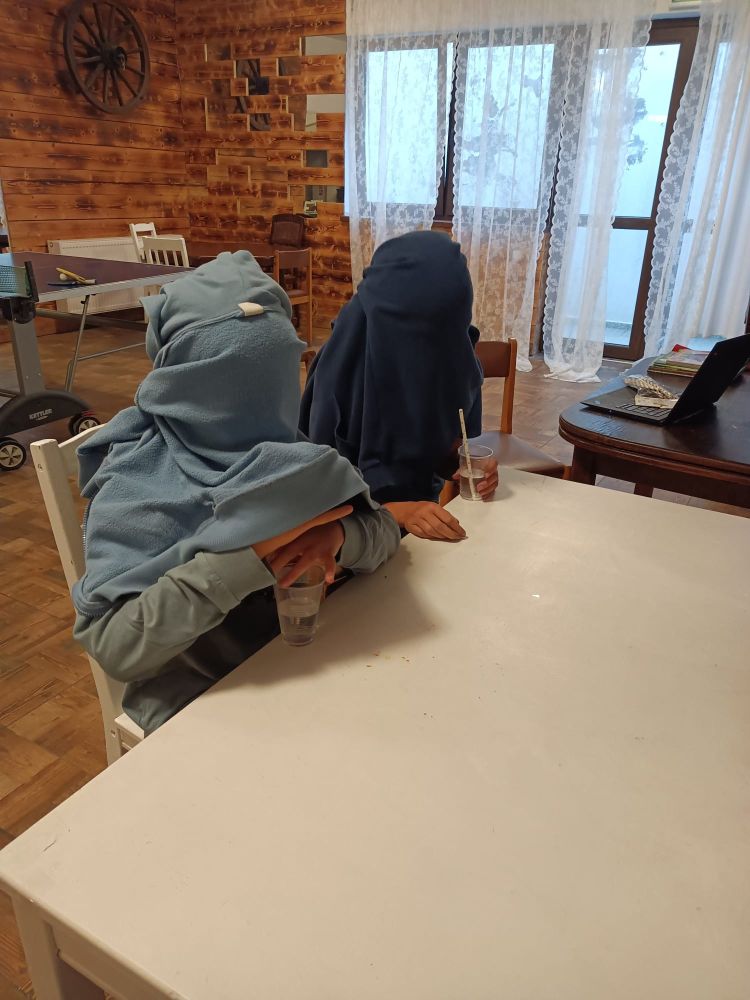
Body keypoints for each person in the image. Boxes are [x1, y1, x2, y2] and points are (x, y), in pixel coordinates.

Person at [72, 252, 400, 734]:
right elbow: (115, 647)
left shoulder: (287, 453)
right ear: (185, 385)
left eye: (273, 382)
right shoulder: (136, 485)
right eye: (237, 387)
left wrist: (337, 539)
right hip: (199, 705)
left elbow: (382, 529)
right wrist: (250, 556)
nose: (261, 407)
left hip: (310, 675)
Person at [299, 230, 498, 542]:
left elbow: (442, 452)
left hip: (423, 524)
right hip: (350, 538)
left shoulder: (452, 355)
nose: (434, 350)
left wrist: (466, 465)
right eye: (423, 334)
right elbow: (318, 509)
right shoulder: (342, 372)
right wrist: (397, 512)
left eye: (446, 331)